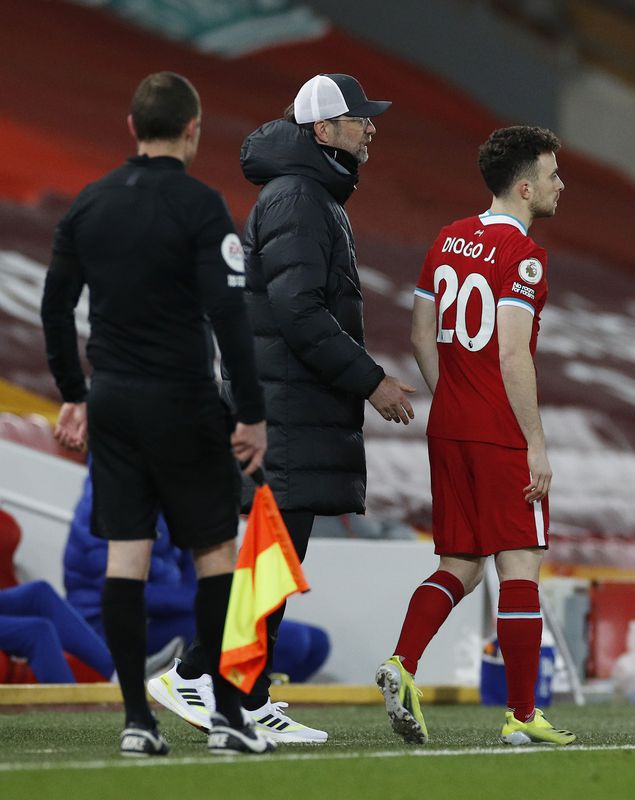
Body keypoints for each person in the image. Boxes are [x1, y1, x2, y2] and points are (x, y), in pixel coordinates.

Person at [151, 73, 414, 744]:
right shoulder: (299, 198)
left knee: (274, 556)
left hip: (288, 404)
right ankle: (211, 682)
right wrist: (371, 380)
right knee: (274, 556)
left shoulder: (306, 194)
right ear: (322, 130)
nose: (370, 127)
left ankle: (237, 688)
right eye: (358, 118)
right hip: (286, 407)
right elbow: (298, 312)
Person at [39, 71, 273, 756]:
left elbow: (55, 310)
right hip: (182, 398)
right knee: (215, 552)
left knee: (126, 557)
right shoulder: (201, 207)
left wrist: (73, 394)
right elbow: (229, 314)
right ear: (193, 129)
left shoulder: (89, 204)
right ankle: (228, 716)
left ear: (132, 127)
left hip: (111, 400)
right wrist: (251, 413)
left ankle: (138, 721)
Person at [376, 126, 575, 747]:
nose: (558, 183)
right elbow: (514, 354)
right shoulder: (526, 257)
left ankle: (402, 662)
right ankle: (521, 716)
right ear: (524, 187)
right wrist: (535, 443)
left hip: (451, 425)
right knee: (519, 566)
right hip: (498, 430)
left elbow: (418, 334)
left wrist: (453, 398)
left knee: (458, 563)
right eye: (550, 174)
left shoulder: (448, 238)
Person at [61, 471, 331, 684]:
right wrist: (211, 600)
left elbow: (194, 569)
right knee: (294, 641)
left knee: (315, 641)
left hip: (164, 615)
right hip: (107, 623)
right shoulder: (106, 494)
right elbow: (118, 588)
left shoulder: (168, 494)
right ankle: (227, 689)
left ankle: (244, 690)